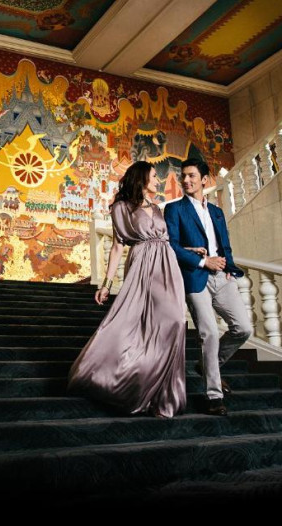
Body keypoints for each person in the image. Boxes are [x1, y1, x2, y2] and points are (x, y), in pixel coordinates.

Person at [67, 161, 192, 418]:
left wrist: (190, 251)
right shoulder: (122, 207)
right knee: (135, 324)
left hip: (168, 267)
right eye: (154, 176)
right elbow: (117, 246)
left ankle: (161, 394)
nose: (157, 181)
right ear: (142, 178)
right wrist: (106, 284)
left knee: (176, 321)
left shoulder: (157, 207)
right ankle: (117, 378)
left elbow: (166, 240)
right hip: (143, 265)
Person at [164, 158, 253, 417]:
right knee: (210, 333)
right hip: (195, 277)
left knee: (243, 329)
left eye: (191, 175)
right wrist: (203, 261)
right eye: (183, 176)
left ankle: (206, 365)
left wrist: (229, 268)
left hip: (222, 277)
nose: (186, 180)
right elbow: (171, 245)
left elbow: (225, 244)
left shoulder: (216, 211)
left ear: (204, 180)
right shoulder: (174, 209)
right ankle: (214, 395)